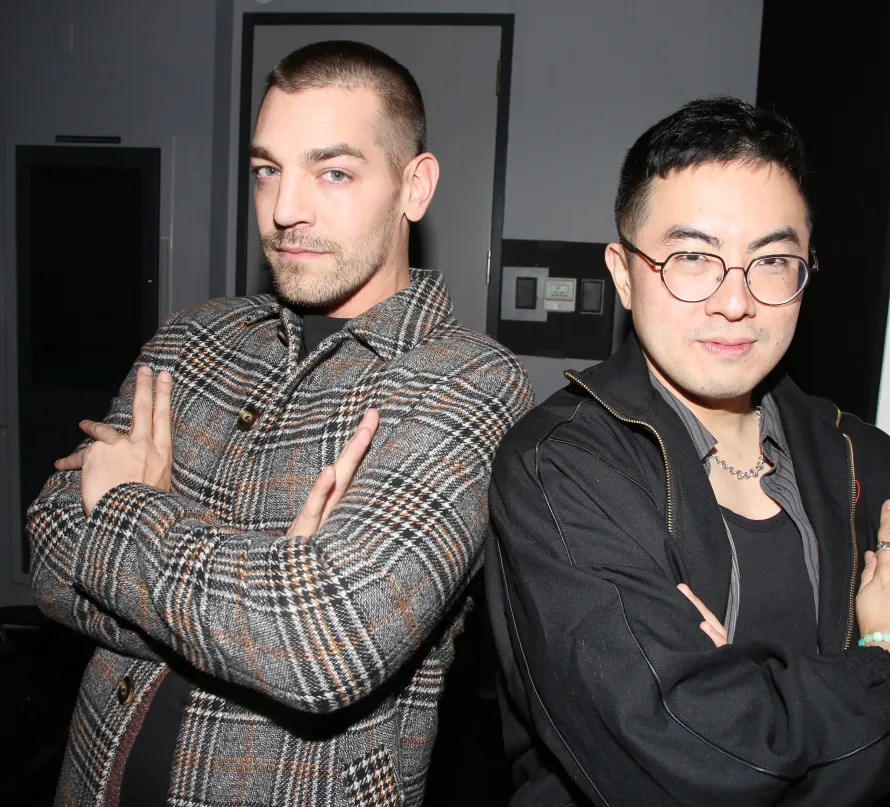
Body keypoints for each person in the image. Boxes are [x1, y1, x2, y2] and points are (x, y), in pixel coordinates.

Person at [28, 40, 532, 806]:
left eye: (333, 171)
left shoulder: (470, 380)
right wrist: (261, 590)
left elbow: (322, 644)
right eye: (268, 169)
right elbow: (49, 545)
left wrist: (131, 506)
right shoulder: (193, 337)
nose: (286, 208)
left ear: (414, 186)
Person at [485, 97, 890, 806]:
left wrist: (749, 701)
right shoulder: (558, 465)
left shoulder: (865, 456)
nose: (735, 301)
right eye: (693, 258)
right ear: (623, 272)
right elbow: (685, 770)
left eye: (771, 260)